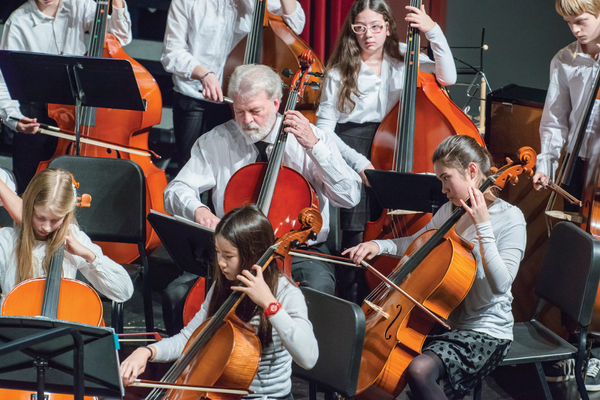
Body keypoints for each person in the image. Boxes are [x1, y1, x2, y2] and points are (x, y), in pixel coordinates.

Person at [162, 63, 361, 334]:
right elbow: (175, 190)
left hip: (299, 251)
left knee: (319, 297)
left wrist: (315, 148)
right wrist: (199, 210)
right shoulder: (217, 140)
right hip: (235, 252)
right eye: (239, 111)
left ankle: (307, 374)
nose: (246, 121)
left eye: (255, 111)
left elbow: (350, 196)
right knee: (177, 295)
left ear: (277, 102)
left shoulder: (313, 138)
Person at [344, 135, 526, 400]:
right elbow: (419, 244)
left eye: (446, 178)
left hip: (485, 331)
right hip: (444, 322)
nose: (443, 190)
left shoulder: (511, 219)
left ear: (472, 171)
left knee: (419, 370)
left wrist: (483, 226)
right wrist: (379, 246)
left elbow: (502, 284)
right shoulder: (449, 212)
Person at [315, 0, 457, 303]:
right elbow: (325, 131)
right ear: (352, 31)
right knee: (355, 234)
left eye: (376, 26)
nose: (369, 34)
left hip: (393, 146)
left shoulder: (406, 58)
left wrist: (433, 31)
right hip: (350, 152)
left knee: (393, 230)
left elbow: (448, 77)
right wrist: (359, 164)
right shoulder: (339, 72)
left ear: (388, 28)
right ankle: (351, 309)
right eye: (361, 27)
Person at [120, 205, 318, 398]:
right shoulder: (224, 285)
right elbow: (189, 339)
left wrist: (270, 305)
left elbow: (308, 358)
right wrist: (147, 351)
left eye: (229, 256)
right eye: (218, 252)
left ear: (254, 254)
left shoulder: (287, 294)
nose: (220, 262)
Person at [532, 0, 600, 391]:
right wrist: (546, 164)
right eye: (569, 23)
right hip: (578, 170)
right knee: (575, 259)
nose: (574, 30)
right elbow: (555, 120)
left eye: (581, 22)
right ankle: (576, 346)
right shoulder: (565, 59)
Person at [0, 0, 132, 193]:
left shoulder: (80, 5)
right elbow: (3, 80)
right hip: (35, 116)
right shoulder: (18, 21)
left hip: (74, 115)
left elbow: (119, 36)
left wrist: (117, 3)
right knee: (29, 190)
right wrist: (15, 119)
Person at [161, 0, 306, 170]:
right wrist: (204, 74)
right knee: (190, 165)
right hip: (194, 94)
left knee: (227, 168)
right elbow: (171, 53)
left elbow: (296, 24)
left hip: (237, 102)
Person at [0, 168, 134, 305]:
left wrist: (89, 255)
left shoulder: (73, 238)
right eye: (40, 217)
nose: (46, 227)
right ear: (28, 207)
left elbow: (123, 292)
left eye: (55, 220)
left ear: (67, 215)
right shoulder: (6, 240)